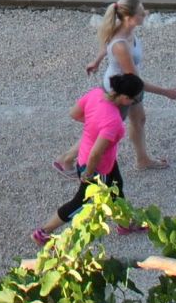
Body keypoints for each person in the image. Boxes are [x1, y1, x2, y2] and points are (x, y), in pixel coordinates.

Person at [54, 0, 176, 173]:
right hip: (120, 91)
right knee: (103, 130)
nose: (146, 14)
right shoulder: (120, 45)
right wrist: (166, 92)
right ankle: (65, 159)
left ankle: (143, 160)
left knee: (138, 120)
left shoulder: (125, 29)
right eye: (141, 12)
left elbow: (106, 45)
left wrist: (96, 60)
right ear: (129, 17)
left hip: (129, 87)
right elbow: (135, 79)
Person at [33, 72, 144, 245]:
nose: (133, 103)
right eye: (134, 100)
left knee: (117, 187)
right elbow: (96, 154)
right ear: (124, 97)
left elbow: (74, 113)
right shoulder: (113, 121)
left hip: (94, 158)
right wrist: (88, 173)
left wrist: (93, 124)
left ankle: (124, 223)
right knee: (80, 203)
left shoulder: (95, 94)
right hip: (95, 167)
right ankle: (43, 232)